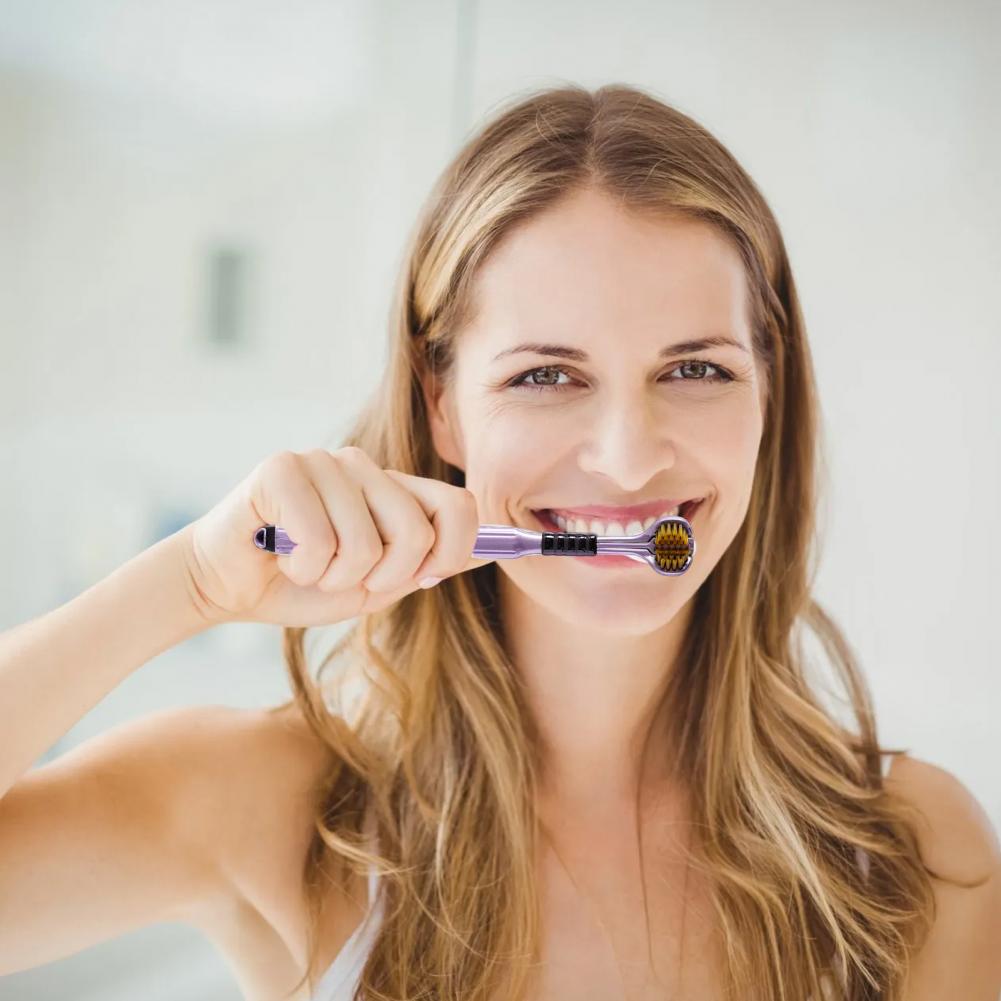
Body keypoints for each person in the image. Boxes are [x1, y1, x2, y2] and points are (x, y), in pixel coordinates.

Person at [1, 83, 999, 1001]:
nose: (626, 458)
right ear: (440, 405)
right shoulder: (273, 807)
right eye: (545, 376)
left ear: (766, 393)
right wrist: (190, 582)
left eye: (693, 368)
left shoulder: (913, 849)